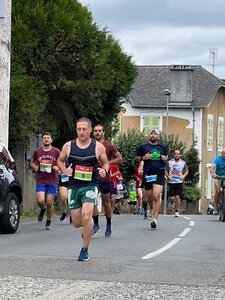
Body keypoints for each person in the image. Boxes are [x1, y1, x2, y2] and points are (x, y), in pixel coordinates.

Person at [57, 117, 109, 261]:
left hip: (90, 185)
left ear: (90, 130)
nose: (81, 132)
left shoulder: (98, 147)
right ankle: (88, 228)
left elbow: (105, 163)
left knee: (87, 215)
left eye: (84, 129)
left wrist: (104, 170)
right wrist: (65, 170)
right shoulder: (68, 146)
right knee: (77, 223)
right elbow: (59, 161)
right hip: (74, 186)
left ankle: (84, 250)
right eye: (79, 129)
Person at [92, 124, 123, 237]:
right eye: (95, 131)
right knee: (92, 200)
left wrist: (108, 163)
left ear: (103, 132)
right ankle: (96, 224)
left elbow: (120, 158)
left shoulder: (109, 146)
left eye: (99, 131)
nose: (97, 133)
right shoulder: (89, 145)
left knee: (106, 202)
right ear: (93, 133)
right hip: (92, 177)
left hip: (105, 177)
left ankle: (109, 225)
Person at [135, 128, 168, 229]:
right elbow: (136, 157)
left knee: (156, 195)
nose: (153, 135)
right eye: (151, 133)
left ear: (158, 136)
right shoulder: (143, 146)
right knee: (149, 198)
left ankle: (155, 219)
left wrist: (164, 158)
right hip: (148, 174)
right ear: (149, 135)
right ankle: (153, 208)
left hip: (159, 173)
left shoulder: (162, 147)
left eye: (155, 134)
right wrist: (143, 158)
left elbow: (166, 157)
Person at [30, 132, 60, 230]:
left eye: (48, 138)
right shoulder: (37, 152)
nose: (46, 139)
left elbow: (61, 162)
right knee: (40, 200)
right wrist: (34, 167)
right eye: (44, 138)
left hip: (52, 180)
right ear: (42, 140)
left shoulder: (56, 151)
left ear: (51, 140)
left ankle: (48, 221)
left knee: (49, 202)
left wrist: (57, 167)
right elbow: (32, 162)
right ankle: (43, 209)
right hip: (41, 179)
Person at [165, 149, 189, 217]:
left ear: (180, 155)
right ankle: (171, 200)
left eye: (178, 154)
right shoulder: (169, 162)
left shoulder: (183, 163)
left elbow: (187, 171)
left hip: (179, 182)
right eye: (175, 154)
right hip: (171, 182)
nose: (176, 155)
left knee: (178, 197)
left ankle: (176, 211)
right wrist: (168, 176)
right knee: (172, 197)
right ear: (173, 154)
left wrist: (183, 176)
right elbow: (166, 170)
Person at [210, 148, 225, 215]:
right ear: (221, 154)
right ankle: (216, 207)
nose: (224, 155)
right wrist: (213, 174)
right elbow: (212, 167)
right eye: (223, 154)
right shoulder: (218, 159)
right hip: (218, 176)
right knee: (218, 191)